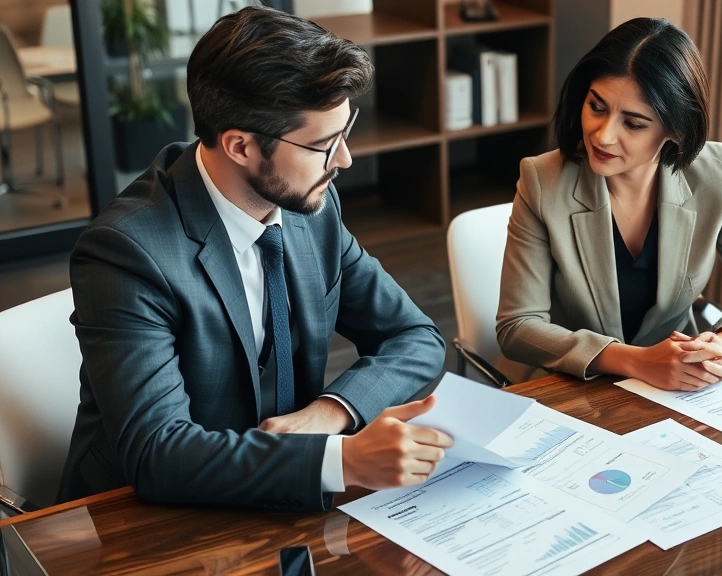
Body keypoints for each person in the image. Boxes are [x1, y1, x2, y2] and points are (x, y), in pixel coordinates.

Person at [58, 6, 452, 511]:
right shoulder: (125, 252)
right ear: (240, 145)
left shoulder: (311, 205)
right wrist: (343, 461)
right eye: (323, 145)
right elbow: (158, 454)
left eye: (345, 134)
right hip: (141, 521)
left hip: (279, 501)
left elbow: (415, 336)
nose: (346, 161)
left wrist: (330, 413)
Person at [497, 18, 722, 391]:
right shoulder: (543, 181)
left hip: (677, 389)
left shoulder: (715, 174)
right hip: (575, 388)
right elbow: (518, 326)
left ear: (675, 130)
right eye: (596, 107)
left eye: (634, 123)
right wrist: (637, 361)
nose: (604, 135)